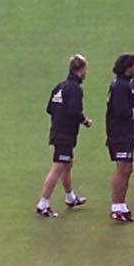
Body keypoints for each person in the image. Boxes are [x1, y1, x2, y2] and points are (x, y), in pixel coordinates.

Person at [37, 54, 90, 217]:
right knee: (58, 167)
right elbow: (75, 111)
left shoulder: (59, 86)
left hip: (57, 130)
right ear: (80, 70)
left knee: (68, 164)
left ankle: (70, 198)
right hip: (65, 134)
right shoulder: (75, 89)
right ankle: (43, 204)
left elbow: (49, 108)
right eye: (85, 69)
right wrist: (85, 121)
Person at [107, 53, 134, 223]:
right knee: (122, 169)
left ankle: (122, 206)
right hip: (119, 134)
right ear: (128, 68)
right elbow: (121, 112)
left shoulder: (125, 85)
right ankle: (116, 207)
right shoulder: (120, 86)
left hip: (126, 134)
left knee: (128, 169)